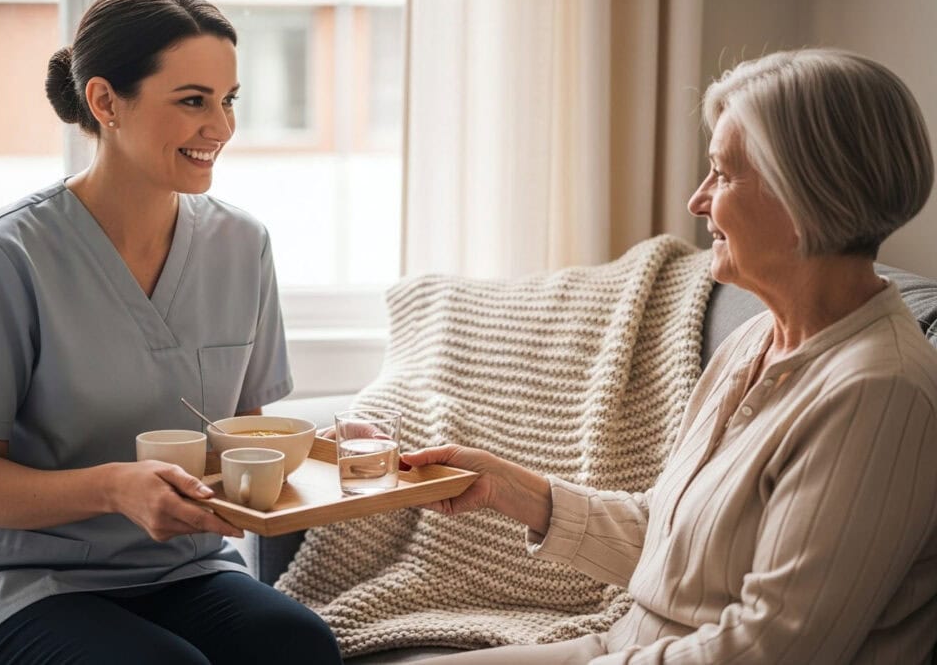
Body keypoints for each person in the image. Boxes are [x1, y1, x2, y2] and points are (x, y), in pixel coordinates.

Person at [401, 49, 937, 663]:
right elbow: (672, 546)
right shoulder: (756, 342)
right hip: (630, 646)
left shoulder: (879, 393)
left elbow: (773, 648)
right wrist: (506, 486)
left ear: (804, 200)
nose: (698, 200)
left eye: (723, 174)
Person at [0, 0, 341, 664]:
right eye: (193, 101)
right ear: (106, 101)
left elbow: (241, 441)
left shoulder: (242, 245)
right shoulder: (1, 255)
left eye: (228, 100)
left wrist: (335, 448)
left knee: (301, 647)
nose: (222, 128)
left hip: (181, 567)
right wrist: (115, 487)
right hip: (25, 582)